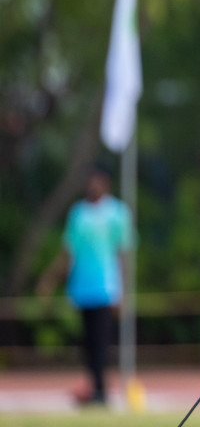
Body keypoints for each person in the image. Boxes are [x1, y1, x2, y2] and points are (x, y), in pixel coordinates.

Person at [35, 166, 135, 405]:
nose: (93, 185)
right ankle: (94, 386)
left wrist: (124, 289)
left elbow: (123, 253)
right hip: (82, 288)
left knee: (101, 341)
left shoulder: (117, 212)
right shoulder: (78, 213)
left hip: (106, 287)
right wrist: (50, 279)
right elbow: (68, 252)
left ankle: (101, 391)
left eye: (97, 181)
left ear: (106, 183)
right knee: (87, 343)